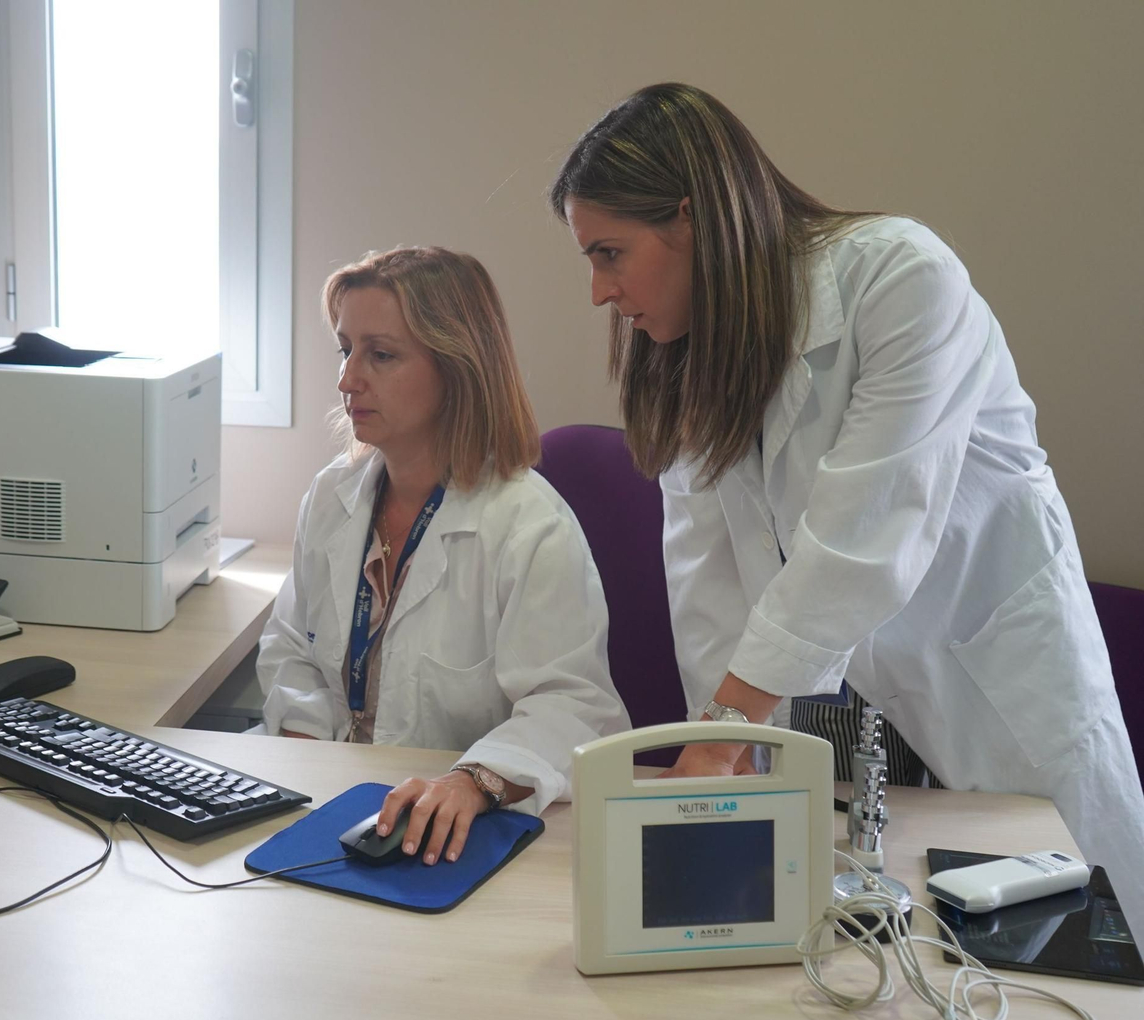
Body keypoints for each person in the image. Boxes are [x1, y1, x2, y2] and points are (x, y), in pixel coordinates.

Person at [549, 82, 1144, 919]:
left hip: (980, 677)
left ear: (688, 219)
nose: (599, 292)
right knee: (844, 943)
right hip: (821, 691)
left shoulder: (902, 278)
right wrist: (725, 764)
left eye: (609, 252)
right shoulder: (686, 353)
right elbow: (706, 579)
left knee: (1039, 959)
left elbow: (867, 538)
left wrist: (724, 733)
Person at [258, 246, 628, 866]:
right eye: (345, 350)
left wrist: (474, 782)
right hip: (332, 804)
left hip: (453, 831)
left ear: (457, 366)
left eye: (381, 355)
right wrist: (310, 753)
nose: (349, 380)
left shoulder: (526, 523)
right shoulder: (332, 495)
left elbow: (574, 705)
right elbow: (291, 648)